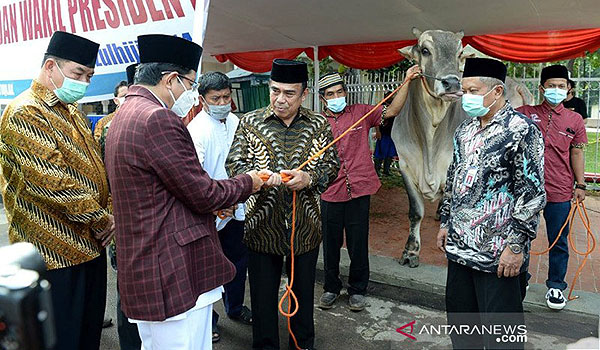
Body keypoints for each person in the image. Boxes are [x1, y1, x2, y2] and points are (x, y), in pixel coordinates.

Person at [104, 34, 264, 350]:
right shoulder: (157, 118)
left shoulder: (125, 115)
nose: (190, 94)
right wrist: (250, 182)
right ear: (171, 79)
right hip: (172, 268)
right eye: (190, 85)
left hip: (146, 263)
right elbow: (203, 193)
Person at [0, 31, 113, 350]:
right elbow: (54, 184)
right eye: (79, 74)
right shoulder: (26, 111)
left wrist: (108, 214)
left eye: (89, 76)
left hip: (90, 247)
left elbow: (97, 168)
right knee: (62, 340)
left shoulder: (72, 111)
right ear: (51, 66)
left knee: (88, 334)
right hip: (54, 255)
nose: (85, 83)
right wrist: (103, 220)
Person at [226, 59, 339, 350]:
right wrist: (257, 177)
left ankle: (302, 345)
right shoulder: (250, 123)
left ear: (303, 94)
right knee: (263, 298)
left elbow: (332, 165)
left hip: (305, 228)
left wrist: (309, 177)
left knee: (302, 295)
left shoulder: (317, 124)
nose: (280, 99)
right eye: (275, 90)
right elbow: (234, 164)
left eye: (289, 93)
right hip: (262, 229)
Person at [438, 57, 546, 349]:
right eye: (465, 90)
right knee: (463, 333)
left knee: (503, 340)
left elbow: (532, 194)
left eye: (473, 90)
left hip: (498, 257)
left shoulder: (521, 131)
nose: (466, 97)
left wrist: (515, 247)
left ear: (497, 92)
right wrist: (446, 221)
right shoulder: (464, 131)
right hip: (460, 250)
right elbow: (454, 178)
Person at [317, 66, 420, 311]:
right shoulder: (317, 123)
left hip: (359, 190)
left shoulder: (362, 113)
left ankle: (357, 290)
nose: (336, 98)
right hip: (330, 192)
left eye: (339, 92)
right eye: (330, 94)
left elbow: (393, 110)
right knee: (330, 245)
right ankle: (331, 288)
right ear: (322, 98)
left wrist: (406, 80)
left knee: (358, 244)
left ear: (346, 93)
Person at [186, 71, 253, 343]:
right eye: (216, 98)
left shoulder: (238, 123)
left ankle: (235, 308)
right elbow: (195, 175)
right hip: (211, 213)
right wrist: (215, 205)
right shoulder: (196, 130)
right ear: (203, 100)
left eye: (227, 96)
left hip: (238, 209)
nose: (223, 102)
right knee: (209, 269)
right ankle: (209, 320)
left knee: (238, 264)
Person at [516, 65, 588, 310]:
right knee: (521, 237)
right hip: (526, 191)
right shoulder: (524, 113)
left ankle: (556, 286)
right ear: (541, 88)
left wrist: (581, 184)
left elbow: (577, 153)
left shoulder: (574, 119)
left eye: (561, 86)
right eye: (551, 85)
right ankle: (519, 279)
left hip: (560, 190)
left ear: (568, 89)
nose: (556, 90)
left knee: (559, 240)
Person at [96, 63, 142, 350]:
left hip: (144, 219)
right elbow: (101, 173)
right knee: (127, 285)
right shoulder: (108, 126)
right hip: (121, 218)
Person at [93, 68, 131, 141]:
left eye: (130, 95)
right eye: (123, 96)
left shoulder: (140, 118)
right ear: (116, 100)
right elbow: (98, 146)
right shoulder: (103, 122)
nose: (127, 98)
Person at [373, 91, 397, 176]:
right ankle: (377, 170)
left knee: (390, 153)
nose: (392, 97)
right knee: (380, 153)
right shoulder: (381, 106)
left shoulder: (394, 106)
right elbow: (376, 120)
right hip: (382, 133)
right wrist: (377, 131)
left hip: (392, 133)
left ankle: (386, 171)